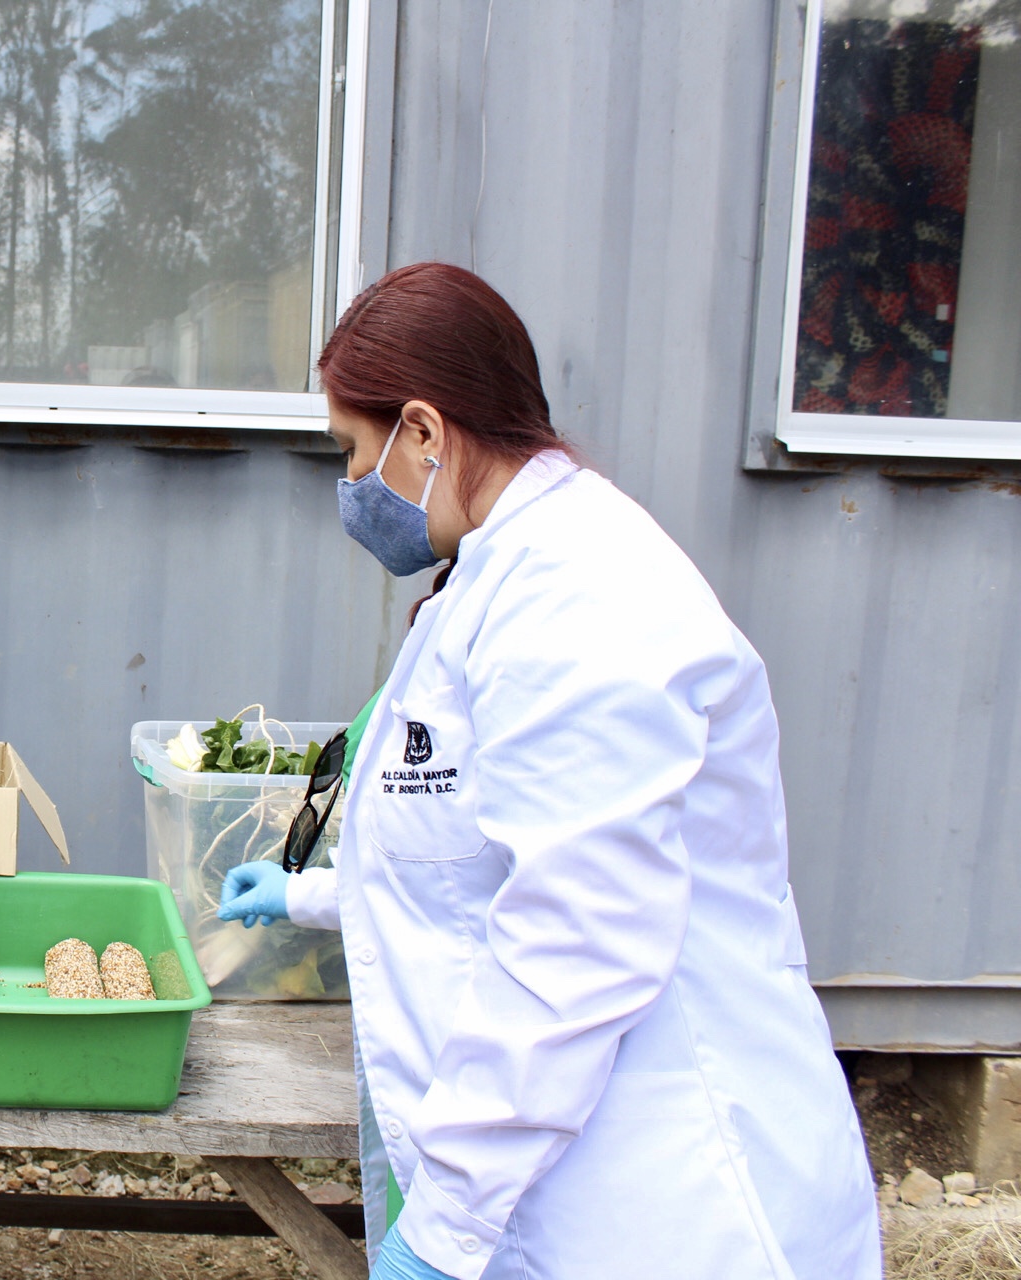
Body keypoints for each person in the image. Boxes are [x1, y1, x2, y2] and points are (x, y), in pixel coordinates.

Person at [218, 263, 881, 1280]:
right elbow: (479, 859)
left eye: (354, 453)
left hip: (669, 1200)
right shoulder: (502, 576)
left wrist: (441, 1233)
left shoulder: (579, 597)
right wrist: (315, 892)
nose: (350, 488)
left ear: (426, 434)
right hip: (579, 1187)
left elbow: (576, 935)